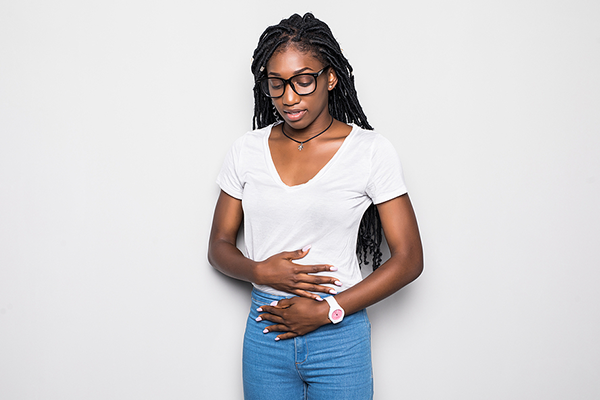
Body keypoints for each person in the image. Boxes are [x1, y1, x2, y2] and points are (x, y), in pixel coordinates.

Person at [208, 12, 423, 400]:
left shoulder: (371, 152)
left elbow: (409, 258)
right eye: (277, 84)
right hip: (266, 331)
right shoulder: (246, 151)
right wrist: (260, 270)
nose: (289, 98)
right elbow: (218, 246)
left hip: (339, 338)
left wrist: (327, 311)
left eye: (303, 81)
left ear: (330, 77)